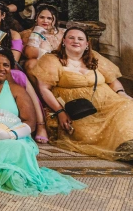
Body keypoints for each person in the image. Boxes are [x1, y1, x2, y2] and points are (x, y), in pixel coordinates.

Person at [0, 47, 84, 195]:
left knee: (18, 150)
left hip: (6, 138)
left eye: (6, 65)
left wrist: (11, 135)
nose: (1, 68)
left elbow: (29, 122)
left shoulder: (16, 90)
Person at [34, 27, 133, 161]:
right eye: (71, 38)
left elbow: (113, 81)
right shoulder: (52, 60)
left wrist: (122, 93)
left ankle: (128, 148)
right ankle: (123, 151)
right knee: (89, 136)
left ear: (87, 44)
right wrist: (60, 112)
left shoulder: (95, 58)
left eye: (80, 39)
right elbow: (44, 89)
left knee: (127, 109)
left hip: (109, 103)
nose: (76, 41)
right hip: (79, 112)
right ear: (64, 41)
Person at [23, 4, 64, 75]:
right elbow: (31, 55)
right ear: (36, 18)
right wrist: (36, 32)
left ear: (55, 20)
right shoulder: (27, 34)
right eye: (42, 17)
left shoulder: (63, 33)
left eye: (49, 18)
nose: (45, 21)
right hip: (41, 68)